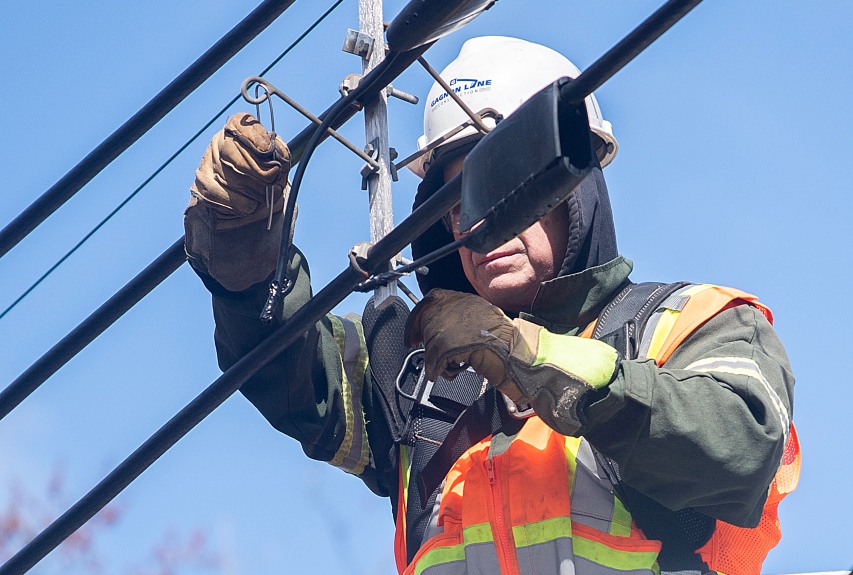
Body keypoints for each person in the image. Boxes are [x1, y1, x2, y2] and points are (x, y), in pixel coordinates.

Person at [184, 36, 799, 575]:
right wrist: (246, 270)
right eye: (455, 199)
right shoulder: (414, 368)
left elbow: (738, 447)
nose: (478, 220)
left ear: (576, 190)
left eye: (502, 185)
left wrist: (528, 357)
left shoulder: (687, 324)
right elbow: (287, 373)